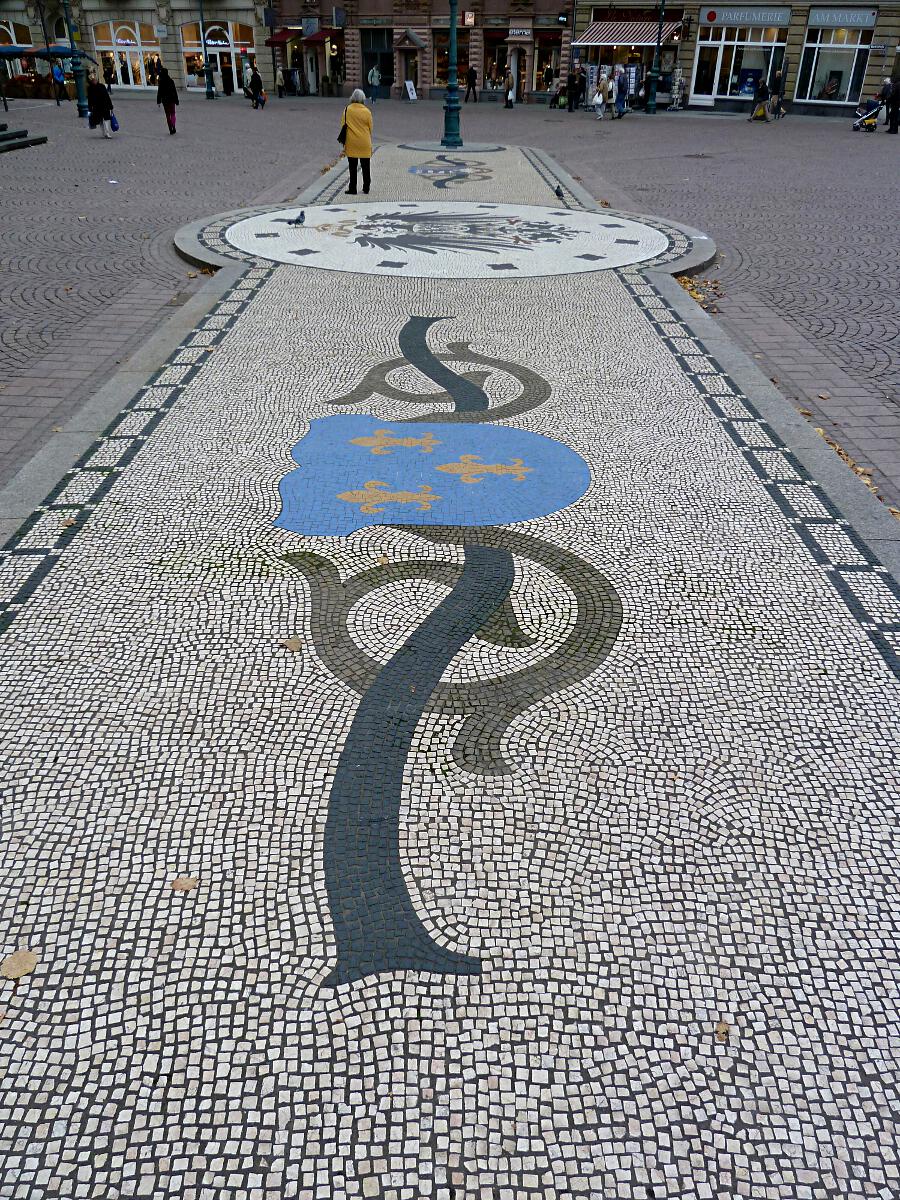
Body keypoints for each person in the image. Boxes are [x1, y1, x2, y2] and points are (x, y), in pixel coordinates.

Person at [341, 88, 373, 194]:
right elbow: (370, 128)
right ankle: (366, 187)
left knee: (352, 167)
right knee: (366, 166)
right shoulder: (367, 112)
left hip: (352, 142)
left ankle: (353, 188)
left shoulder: (347, 110)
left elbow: (343, 125)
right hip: (364, 142)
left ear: (352, 98)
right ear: (363, 99)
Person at [86, 71, 114, 139]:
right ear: (91, 81)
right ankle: (104, 133)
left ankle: (107, 133)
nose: (94, 80)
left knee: (107, 119)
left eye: (95, 79)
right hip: (97, 107)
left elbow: (107, 96)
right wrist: (90, 109)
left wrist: (111, 106)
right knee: (100, 120)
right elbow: (90, 100)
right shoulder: (90, 88)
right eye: (93, 80)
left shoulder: (102, 86)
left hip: (105, 105)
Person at [156, 65, 179, 134]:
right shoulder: (171, 81)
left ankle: (170, 129)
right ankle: (174, 126)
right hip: (172, 99)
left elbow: (159, 91)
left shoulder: (161, 81)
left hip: (165, 101)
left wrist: (158, 101)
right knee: (173, 114)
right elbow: (174, 91)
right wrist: (176, 100)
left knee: (167, 115)